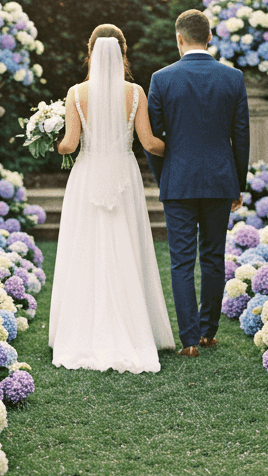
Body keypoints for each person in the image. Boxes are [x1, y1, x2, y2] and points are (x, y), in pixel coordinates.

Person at [48, 24, 175, 372]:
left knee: (85, 248)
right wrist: (181, 144)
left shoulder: (76, 93)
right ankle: (134, 326)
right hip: (123, 175)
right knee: (126, 246)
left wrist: (49, 137)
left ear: (89, 52)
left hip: (88, 176)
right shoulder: (135, 93)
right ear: (123, 52)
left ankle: (80, 329)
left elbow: (70, 145)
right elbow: (150, 144)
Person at [146, 8, 250, 358]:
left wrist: (166, 177)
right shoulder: (232, 77)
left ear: (179, 38)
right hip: (221, 180)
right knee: (213, 257)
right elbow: (242, 136)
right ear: (209, 37)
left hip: (178, 181)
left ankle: (189, 340)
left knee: (180, 261)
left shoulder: (161, 79)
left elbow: (154, 139)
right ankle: (208, 333)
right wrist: (237, 182)